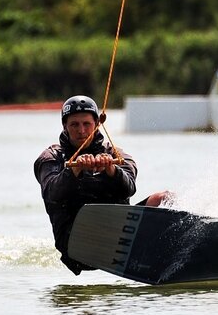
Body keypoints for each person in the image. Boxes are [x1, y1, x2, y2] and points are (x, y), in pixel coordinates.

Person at [34, 95, 173, 274]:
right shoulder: (51, 158)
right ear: (65, 127)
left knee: (164, 199)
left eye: (86, 124)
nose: (81, 130)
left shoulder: (115, 154)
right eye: (74, 125)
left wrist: (111, 171)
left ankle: (181, 251)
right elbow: (52, 193)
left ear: (97, 125)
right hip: (77, 247)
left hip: (119, 236)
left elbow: (129, 187)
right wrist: (74, 171)